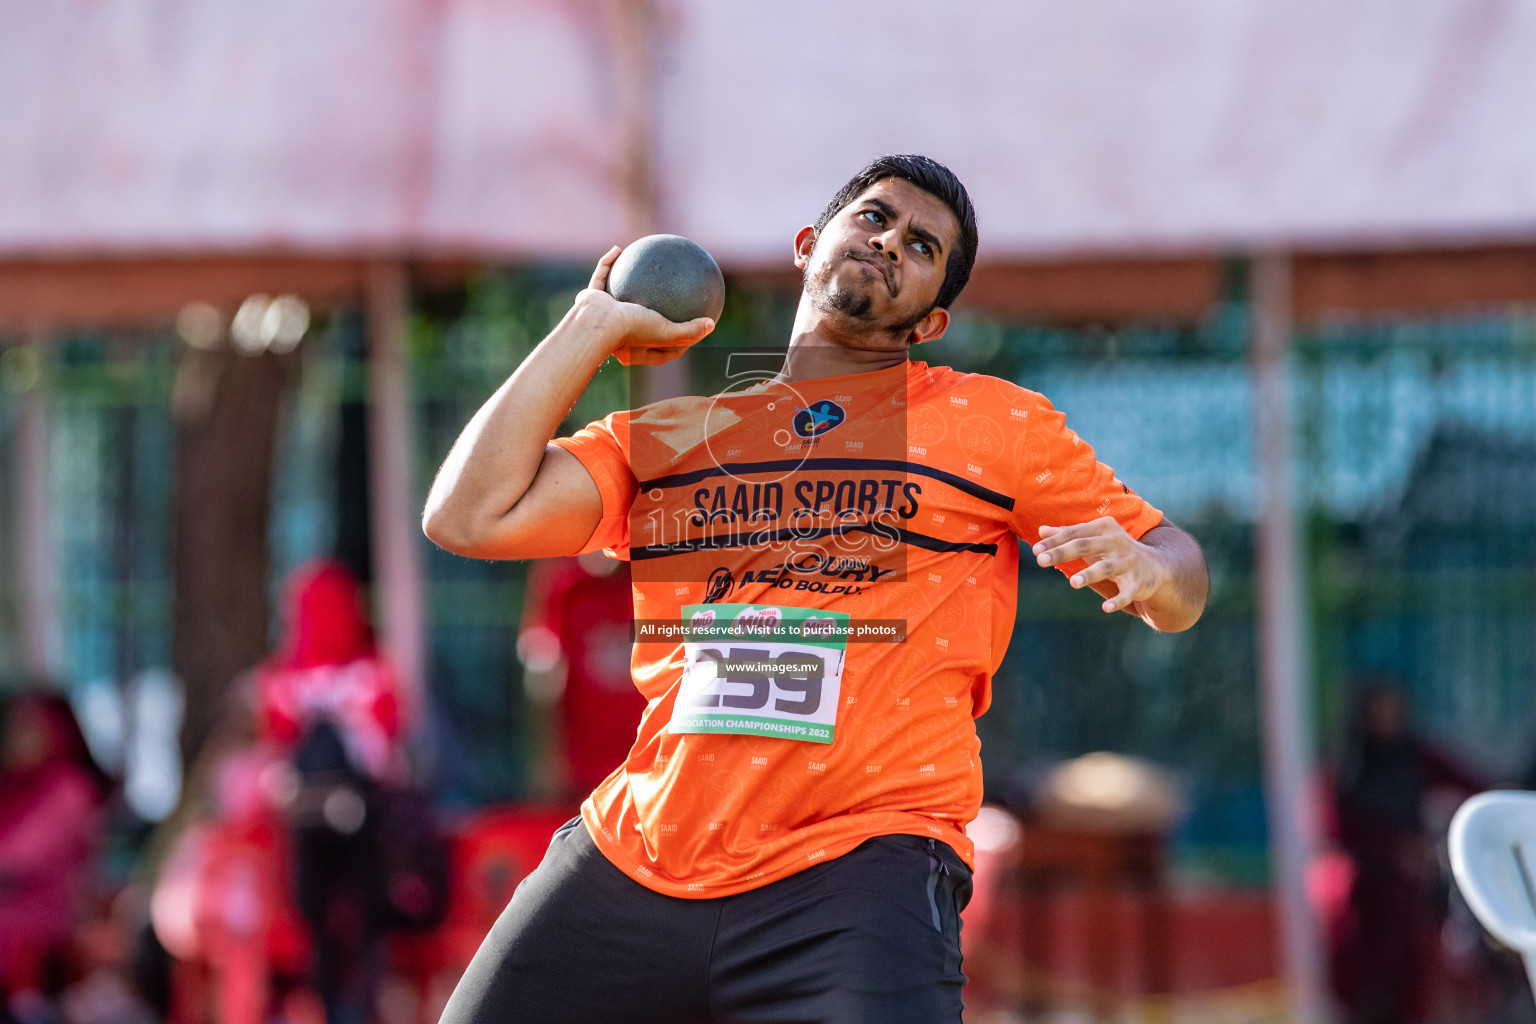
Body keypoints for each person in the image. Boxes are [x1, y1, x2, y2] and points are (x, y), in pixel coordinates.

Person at [422, 154, 1209, 1023]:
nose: (889, 243)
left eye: (922, 246)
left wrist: (1151, 569)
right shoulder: (678, 436)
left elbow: (1181, 577)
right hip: (640, 857)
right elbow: (467, 516)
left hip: (857, 873)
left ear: (935, 316)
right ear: (808, 244)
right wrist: (590, 325)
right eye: (874, 217)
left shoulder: (993, 425)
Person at [1328, 682, 1486, 1024]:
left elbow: (1469, 781)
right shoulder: (1349, 766)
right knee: (1367, 990)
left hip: (1410, 892)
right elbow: (1339, 827)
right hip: (1365, 894)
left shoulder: (1413, 756)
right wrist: (1394, 851)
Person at [0, 691, 109, 1024]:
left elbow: (33, 854)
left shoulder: (69, 788)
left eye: (31, 727)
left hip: (44, 918)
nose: (21, 737)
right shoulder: (15, 787)